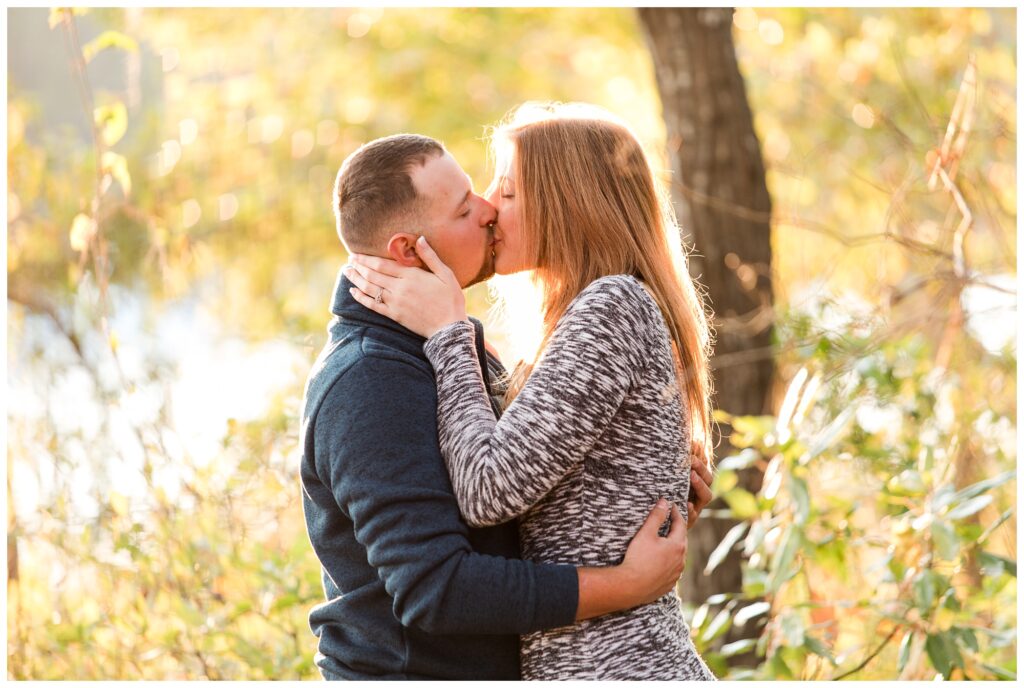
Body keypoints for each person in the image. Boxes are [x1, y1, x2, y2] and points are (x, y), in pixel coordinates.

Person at [300, 132, 715, 680]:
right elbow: (439, 587)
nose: (488, 211)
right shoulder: (371, 380)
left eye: (500, 194)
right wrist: (624, 584)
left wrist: (641, 480)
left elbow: (522, 486)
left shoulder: (452, 346)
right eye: (465, 207)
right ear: (407, 250)